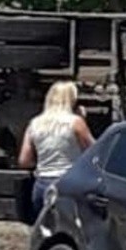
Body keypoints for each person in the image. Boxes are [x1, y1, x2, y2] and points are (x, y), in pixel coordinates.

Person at [18, 81, 95, 214]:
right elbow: (94, 151)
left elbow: (24, 161)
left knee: (45, 231)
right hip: (69, 183)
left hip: (42, 184)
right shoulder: (76, 122)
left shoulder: (34, 123)